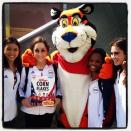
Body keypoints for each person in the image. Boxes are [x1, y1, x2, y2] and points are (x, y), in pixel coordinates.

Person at [18, 36, 60, 128]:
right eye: (37, 50)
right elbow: (19, 87)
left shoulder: (54, 68)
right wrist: (22, 100)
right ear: (32, 52)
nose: (40, 53)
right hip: (30, 111)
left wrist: (58, 98)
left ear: (47, 51)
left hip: (48, 110)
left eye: (43, 50)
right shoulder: (26, 68)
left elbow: (60, 87)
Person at [87, 48, 115, 128]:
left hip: (100, 125)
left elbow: (110, 106)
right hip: (87, 124)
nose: (93, 64)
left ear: (103, 63)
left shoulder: (105, 82)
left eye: (97, 62)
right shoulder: (86, 78)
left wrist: (104, 124)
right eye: (91, 60)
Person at [3, 37, 22, 128]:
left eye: (15, 49)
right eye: (8, 49)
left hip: (13, 114)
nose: (12, 53)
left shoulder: (18, 68)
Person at [110, 37, 127, 127]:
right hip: (121, 124)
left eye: (116, 53)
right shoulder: (116, 73)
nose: (113, 57)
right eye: (111, 53)